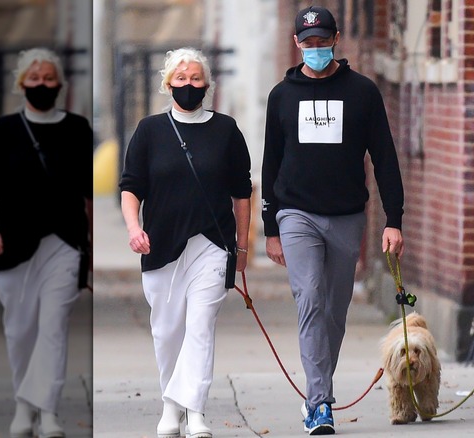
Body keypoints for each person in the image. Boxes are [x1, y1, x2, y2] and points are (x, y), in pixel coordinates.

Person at [262, 6, 405, 436]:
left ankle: (318, 388)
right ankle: (320, 402)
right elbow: (270, 163)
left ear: (336, 38)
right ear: (296, 44)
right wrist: (271, 227)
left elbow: (385, 158)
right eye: (308, 43)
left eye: (323, 41)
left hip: (345, 216)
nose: (316, 49)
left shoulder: (362, 92)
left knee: (334, 311)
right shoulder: (281, 96)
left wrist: (393, 219)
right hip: (296, 213)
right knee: (310, 298)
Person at [119, 47, 252, 438]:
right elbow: (131, 188)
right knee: (166, 331)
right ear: (168, 84)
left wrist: (240, 247)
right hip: (160, 245)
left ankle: (193, 412)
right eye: (181, 79)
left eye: (196, 79)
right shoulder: (149, 131)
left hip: (212, 244)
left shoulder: (226, 130)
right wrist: (133, 228)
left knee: (200, 326)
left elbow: (241, 192)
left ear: (207, 85)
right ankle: (171, 404)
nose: (188, 85)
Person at [0, 47, 92, 438]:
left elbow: (88, 193)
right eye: (34, 78)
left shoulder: (76, 129)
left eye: (49, 78)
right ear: (22, 83)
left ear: (60, 84)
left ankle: (49, 412)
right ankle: (24, 407)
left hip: (64, 242)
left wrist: (88, 245)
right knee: (20, 330)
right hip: (13, 243)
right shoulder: (3, 131)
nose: (42, 84)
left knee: (53, 326)